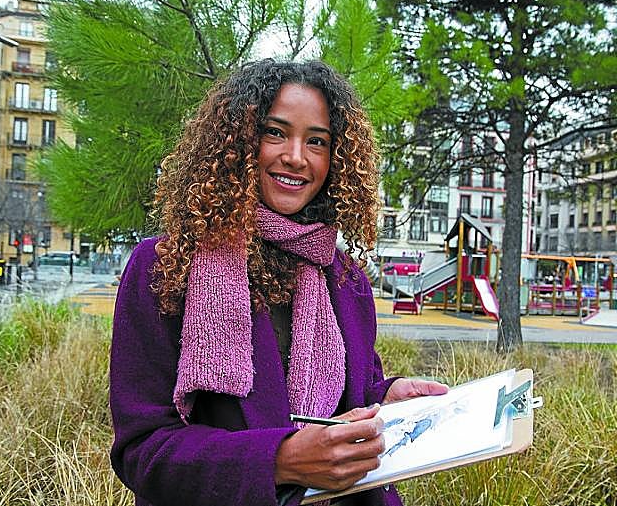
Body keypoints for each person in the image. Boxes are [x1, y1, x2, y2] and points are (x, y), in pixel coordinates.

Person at [109, 59, 448, 506]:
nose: (296, 156)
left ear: (338, 159)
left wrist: (386, 397)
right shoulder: (165, 266)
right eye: (275, 132)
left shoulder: (346, 279)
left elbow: (354, 394)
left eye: (317, 141)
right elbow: (143, 450)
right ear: (236, 141)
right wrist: (279, 460)